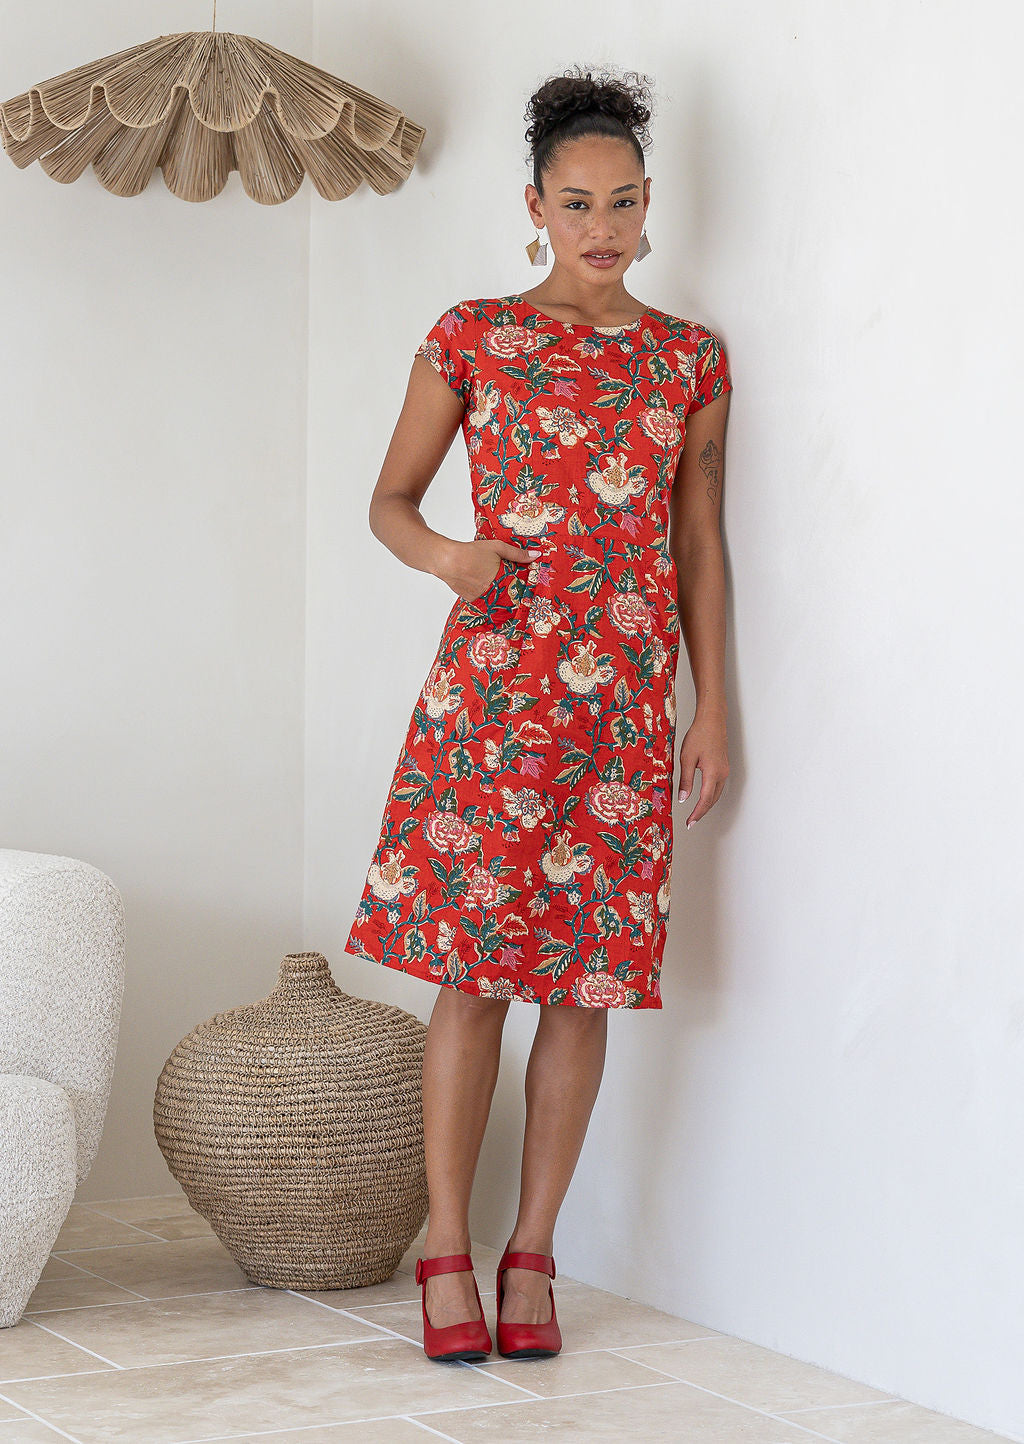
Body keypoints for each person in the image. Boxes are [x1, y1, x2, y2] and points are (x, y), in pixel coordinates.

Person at [344, 64, 732, 1363]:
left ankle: (534, 1253)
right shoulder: (472, 336)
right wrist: (451, 557)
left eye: (623, 201)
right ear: (535, 206)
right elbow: (389, 501)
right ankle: (446, 1247)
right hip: (496, 694)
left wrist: (710, 707)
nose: (603, 226)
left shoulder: (689, 359)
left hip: (622, 711)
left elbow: (699, 547)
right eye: (578, 202)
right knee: (470, 980)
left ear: (649, 204)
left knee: (585, 989)